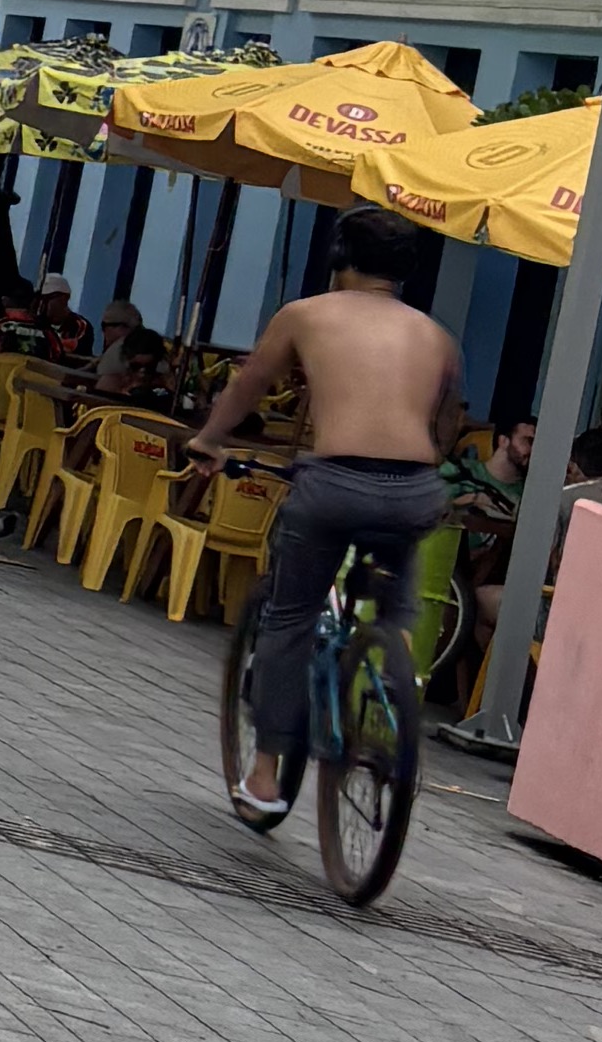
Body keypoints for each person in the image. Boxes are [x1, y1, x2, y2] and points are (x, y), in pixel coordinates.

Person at [193, 209, 467, 830]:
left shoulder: (306, 314)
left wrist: (211, 439)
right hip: (414, 491)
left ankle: (265, 774)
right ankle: (390, 663)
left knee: (289, 617)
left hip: (335, 485)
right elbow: (447, 421)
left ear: (339, 255)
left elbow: (250, 386)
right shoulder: (436, 336)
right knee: (394, 599)